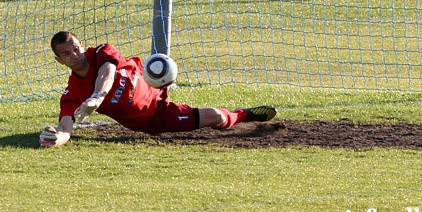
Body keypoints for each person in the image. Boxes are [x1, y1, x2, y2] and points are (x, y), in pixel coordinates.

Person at [39, 31, 277, 147]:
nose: (75, 56)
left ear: (82, 44)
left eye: (77, 48)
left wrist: (97, 97)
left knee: (159, 63)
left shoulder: (102, 51)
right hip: (155, 117)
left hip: (154, 86)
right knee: (215, 116)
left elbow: (107, 73)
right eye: (67, 54)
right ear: (60, 61)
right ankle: (243, 115)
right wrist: (56, 139)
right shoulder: (72, 94)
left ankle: (240, 114)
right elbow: (66, 128)